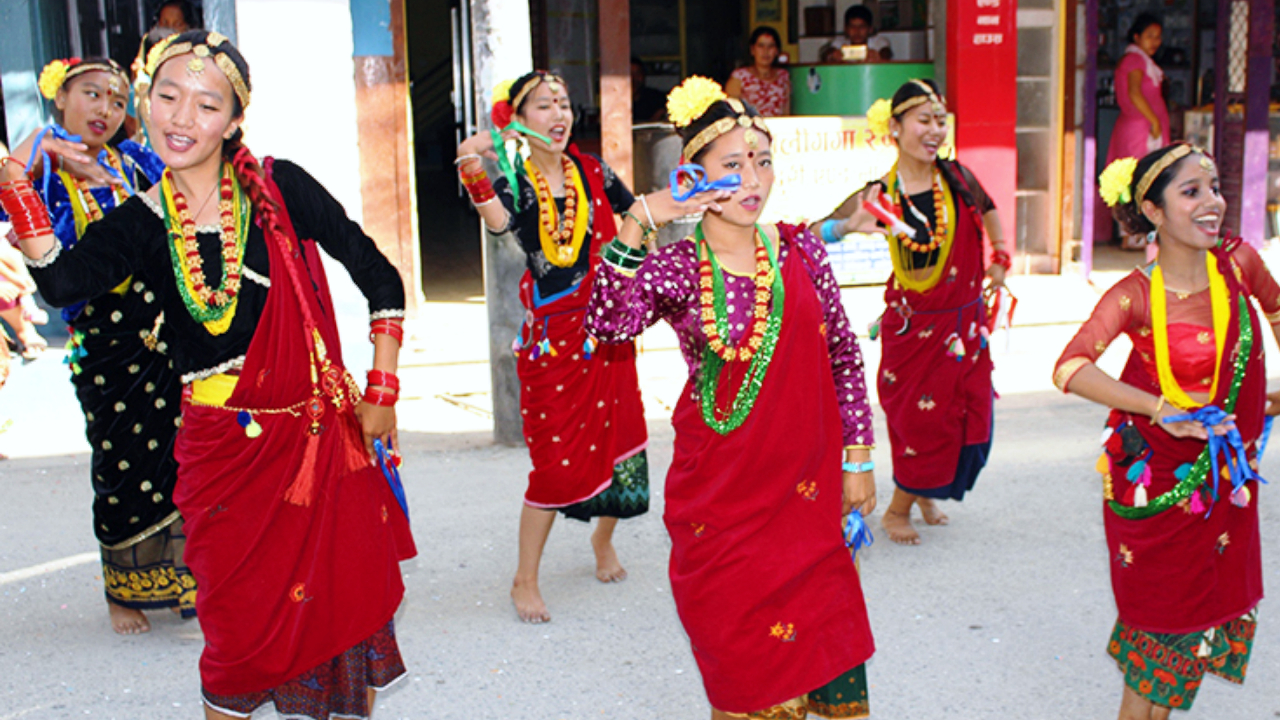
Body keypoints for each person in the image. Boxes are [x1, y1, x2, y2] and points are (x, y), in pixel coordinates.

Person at [4, 30, 415, 718]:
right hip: (217, 450)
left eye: (205, 104)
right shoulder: (142, 218)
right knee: (231, 633)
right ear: (147, 101)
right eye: (167, 97)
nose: (181, 118)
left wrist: (382, 386)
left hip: (311, 444)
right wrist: (22, 199)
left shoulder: (280, 186)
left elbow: (380, 275)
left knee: (332, 614)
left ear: (233, 120)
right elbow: (64, 282)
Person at [586, 76, 876, 719]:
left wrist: (858, 456)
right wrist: (644, 216)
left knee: (826, 658)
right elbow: (605, 323)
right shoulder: (678, 266)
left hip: (807, 498)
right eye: (733, 164)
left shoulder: (800, 249)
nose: (752, 178)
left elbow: (843, 357)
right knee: (748, 675)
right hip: (721, 505)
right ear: (694, 177)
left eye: (763, 160)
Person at [1056, 143, 1276, 719]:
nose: (1214, 203)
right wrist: (1159, 410)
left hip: (1225, 484)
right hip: (1158, 492)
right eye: (1192, 191)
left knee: (1179, 647)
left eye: (1214, 188)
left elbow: (1276, 312)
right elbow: (1071, 367)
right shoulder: (1132, 294)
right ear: (1154, 213)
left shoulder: (1239, 262)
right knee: (1158, 639)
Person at [455, 71, 649, 624]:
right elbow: (497, 225)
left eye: (563, 103)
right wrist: (473, 161)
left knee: (624, 442)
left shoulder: (591, 171)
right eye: (543, 105)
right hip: (553, 340)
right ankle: (524, 578)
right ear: (517, 118)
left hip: (607, 330)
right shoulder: (514, 181)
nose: (559, 114)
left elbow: (637, 215)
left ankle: (602, 544)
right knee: (555, 464)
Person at [5, 57, 190, 633]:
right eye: (90, 95)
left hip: (160, 327)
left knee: (175, 451)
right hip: (104, 340)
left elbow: (186, 175)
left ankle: (184, 578)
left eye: (115, 100)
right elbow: (8, 178)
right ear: (59, 100)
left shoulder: (130, 161)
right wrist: (41, 143)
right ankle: (123, 591)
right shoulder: (42, 163)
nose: (104, 110)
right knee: (121, 458)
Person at [817, 79, 1009, 545]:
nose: (935, 130)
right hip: (914, 329)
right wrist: (846, 227)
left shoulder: (959, 179)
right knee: (920, 420)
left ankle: (923, 492)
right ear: (895, 128)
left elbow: (989, 211)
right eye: (924, 120)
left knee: (966, 414)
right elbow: (819, 231)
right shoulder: (880, 192)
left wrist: (1000, 255)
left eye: (940, 121)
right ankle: (897, 508)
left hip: (964, 325)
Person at [1102, 13, 1169, 253]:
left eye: (1158, 37)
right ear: (1136, 36)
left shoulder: (1141, 60)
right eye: (1149, 36)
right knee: (1137, 179)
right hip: (1140, 129)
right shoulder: (1134, 60)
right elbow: (1134, 92)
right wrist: (1153, 119)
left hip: (1141, 127)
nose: (1155, 42)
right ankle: (1132, 233)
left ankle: (1137, 233)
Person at [726, 27, 791, 117]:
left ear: (776, 51)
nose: (765, 51)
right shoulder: (739, 77)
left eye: (770, 46)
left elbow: (786, 110)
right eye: (761, 46)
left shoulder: (783, 76)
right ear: (752, 50)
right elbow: (730, 111)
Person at [820, 6, 893, 63]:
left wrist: (880, 56)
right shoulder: (839, 42)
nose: (857, 31)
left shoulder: (879, 42)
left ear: (870, 29)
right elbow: (825, 54)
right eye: (852, 27)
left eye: (862, 27)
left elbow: (886, 53)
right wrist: (832, 55)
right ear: (846, 29)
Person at [631, 57, 667, 123]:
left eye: (637, 74)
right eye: (630, 74)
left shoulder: (657, 99)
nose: (633, 79)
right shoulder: (612, 102)